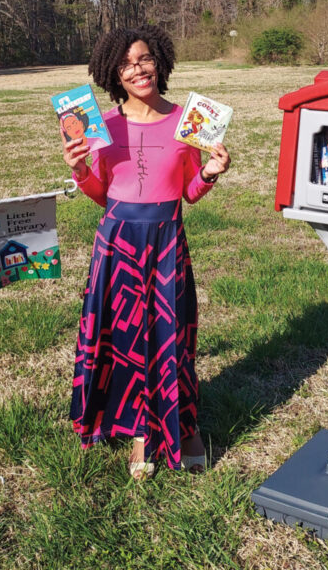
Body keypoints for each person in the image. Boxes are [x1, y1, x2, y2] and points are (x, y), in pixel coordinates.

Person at [61, 24, 231, 478]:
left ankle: (186, 424)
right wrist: (79, 169)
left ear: (160, 62)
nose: (138, 70)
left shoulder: (190, 121)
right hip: (116, 244)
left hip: (167, 241)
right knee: (125, 340)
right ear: (113, 75)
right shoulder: (102, 126)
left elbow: (190, 192)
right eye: (127, 65)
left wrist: (211, 172)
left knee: (173, 337)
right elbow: (102, 193)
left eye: (145, 60)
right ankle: (139, 432)